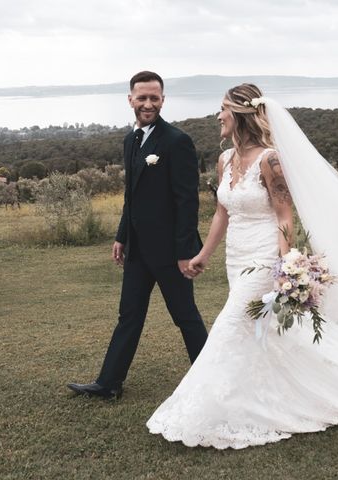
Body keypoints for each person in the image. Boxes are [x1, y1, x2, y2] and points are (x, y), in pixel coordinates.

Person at [147, 83, 338, 449]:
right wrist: (203, 255)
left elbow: (284, 214)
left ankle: (206, 409)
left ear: (240, 114)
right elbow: (221, 212)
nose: (217, 116)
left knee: (230, 325)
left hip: (265, 256)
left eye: (223, 109)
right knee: (263, 333)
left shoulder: (270, 160)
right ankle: (267, 391)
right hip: (236, 256)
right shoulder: (224, 160)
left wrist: (285, 262)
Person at [67, 71, 208, 399]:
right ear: (130, 99)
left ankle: (209, 380)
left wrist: (186, 251)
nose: (148, 104)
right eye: (142, 98)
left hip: (172, 253)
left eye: (154, 98)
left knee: (185, 317)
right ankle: (108, 383)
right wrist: (121, 236)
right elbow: (132, 197)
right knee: (128, 316)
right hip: (138, 251)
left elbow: (187, 202)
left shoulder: (176, 141)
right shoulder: (130, 141)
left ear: (163, 99)